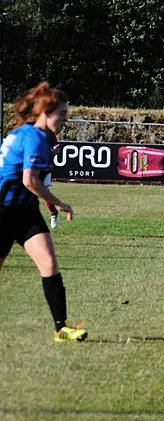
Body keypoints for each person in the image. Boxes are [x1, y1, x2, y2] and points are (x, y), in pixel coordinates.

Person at [0, 81, 87, 342]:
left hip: (24, 210)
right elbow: (30, 180)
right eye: (62, 114)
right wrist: (59, 203)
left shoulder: (26, 132)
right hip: (2, 211)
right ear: (46, 113)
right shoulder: (35, 137)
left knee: (49, 263)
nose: (64, 120)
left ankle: (61, 328)